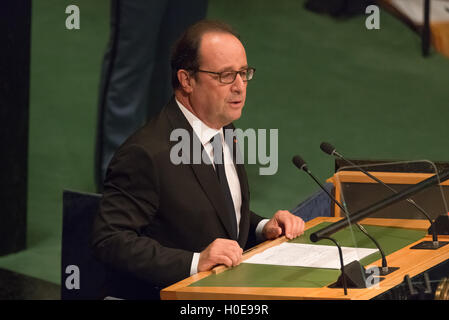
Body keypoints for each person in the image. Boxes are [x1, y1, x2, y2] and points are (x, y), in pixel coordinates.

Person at [91, 20, 305, 300]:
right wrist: (194, 262)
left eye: (243, 73)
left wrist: (263, 228)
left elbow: (213, 210)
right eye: (225, 76)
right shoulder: (146, 153)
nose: (240, 86)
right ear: (187, 80)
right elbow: (110, 240)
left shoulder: (224, 129)